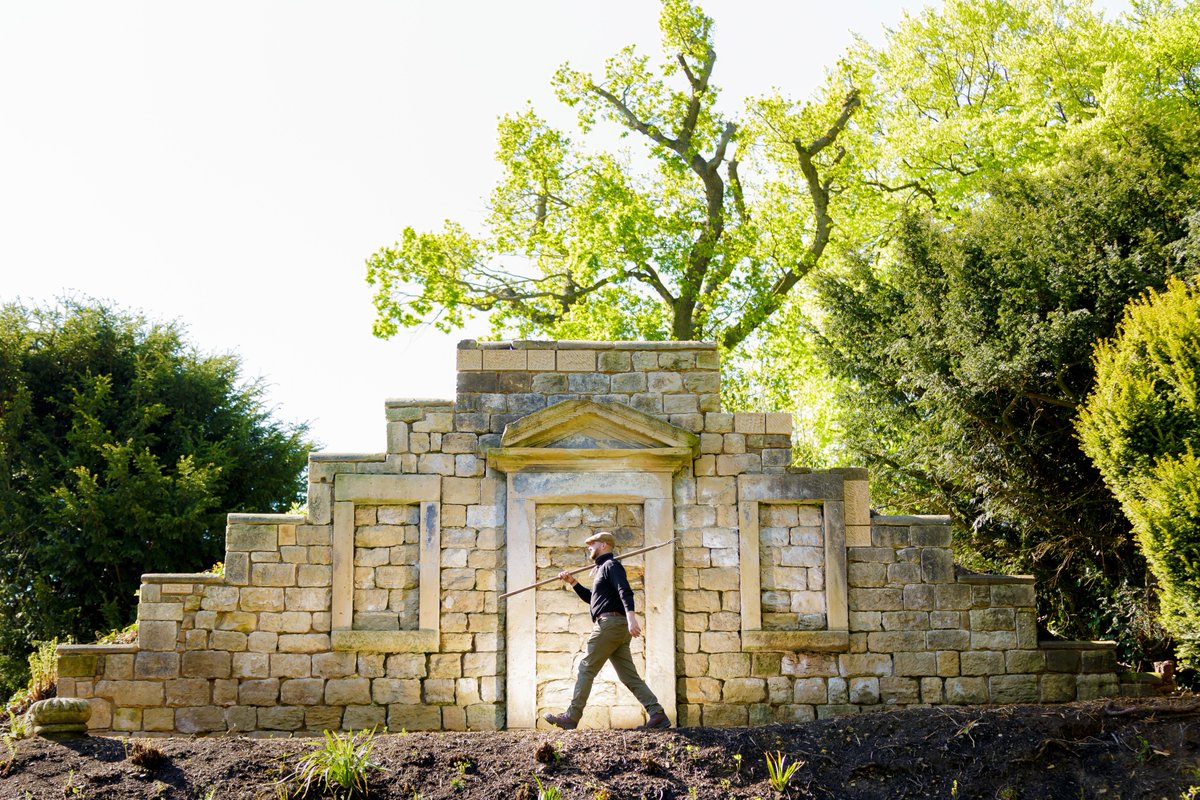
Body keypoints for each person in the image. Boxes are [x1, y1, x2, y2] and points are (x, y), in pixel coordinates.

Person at [543, 530, 670, 730]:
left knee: (586, 668)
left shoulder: (611, 565)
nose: (589, 548)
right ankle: (657, 713)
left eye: (592, 544)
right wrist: (573, 582)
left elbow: (624, 591)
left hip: (610, 625)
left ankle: (571, 717)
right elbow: (594, 600)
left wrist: (632, 619)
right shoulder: (603, 568)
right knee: (629, 676)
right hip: (616, 628)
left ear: (604, 545)